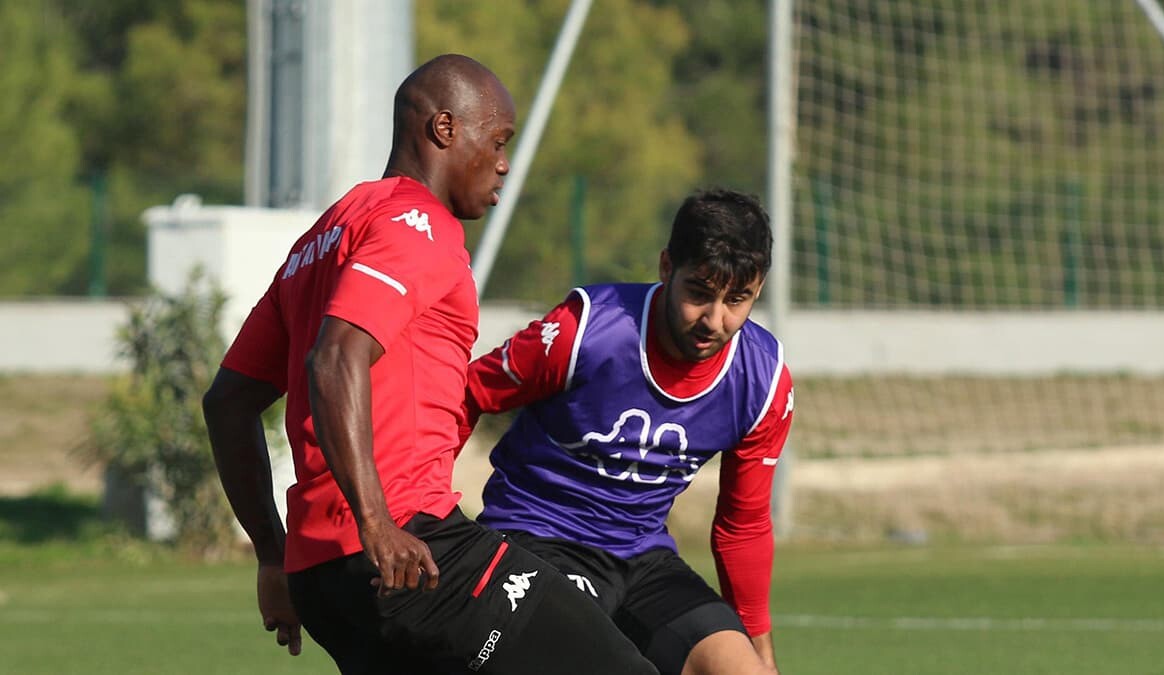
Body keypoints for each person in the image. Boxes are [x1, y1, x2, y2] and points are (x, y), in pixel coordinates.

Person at [203, 53, 656, 675]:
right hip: (409, 550)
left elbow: (227, 404)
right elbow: (336, 357)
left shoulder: (320, 240)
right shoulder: (416, 225)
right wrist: (376, 522)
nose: (503, 164)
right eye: (497, 141)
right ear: (444, 129)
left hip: (323, 576)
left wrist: (272, 556)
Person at [462, 188, 792, 675]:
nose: (714, 320)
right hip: (537, 540)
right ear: (666, 268)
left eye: (736, 300)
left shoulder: (762, 381)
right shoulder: (587, 332)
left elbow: (743, 525)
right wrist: (417, 513)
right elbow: (466, 394)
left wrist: (760, 648)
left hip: (642, 556)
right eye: (699, 293)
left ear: (757, 289)